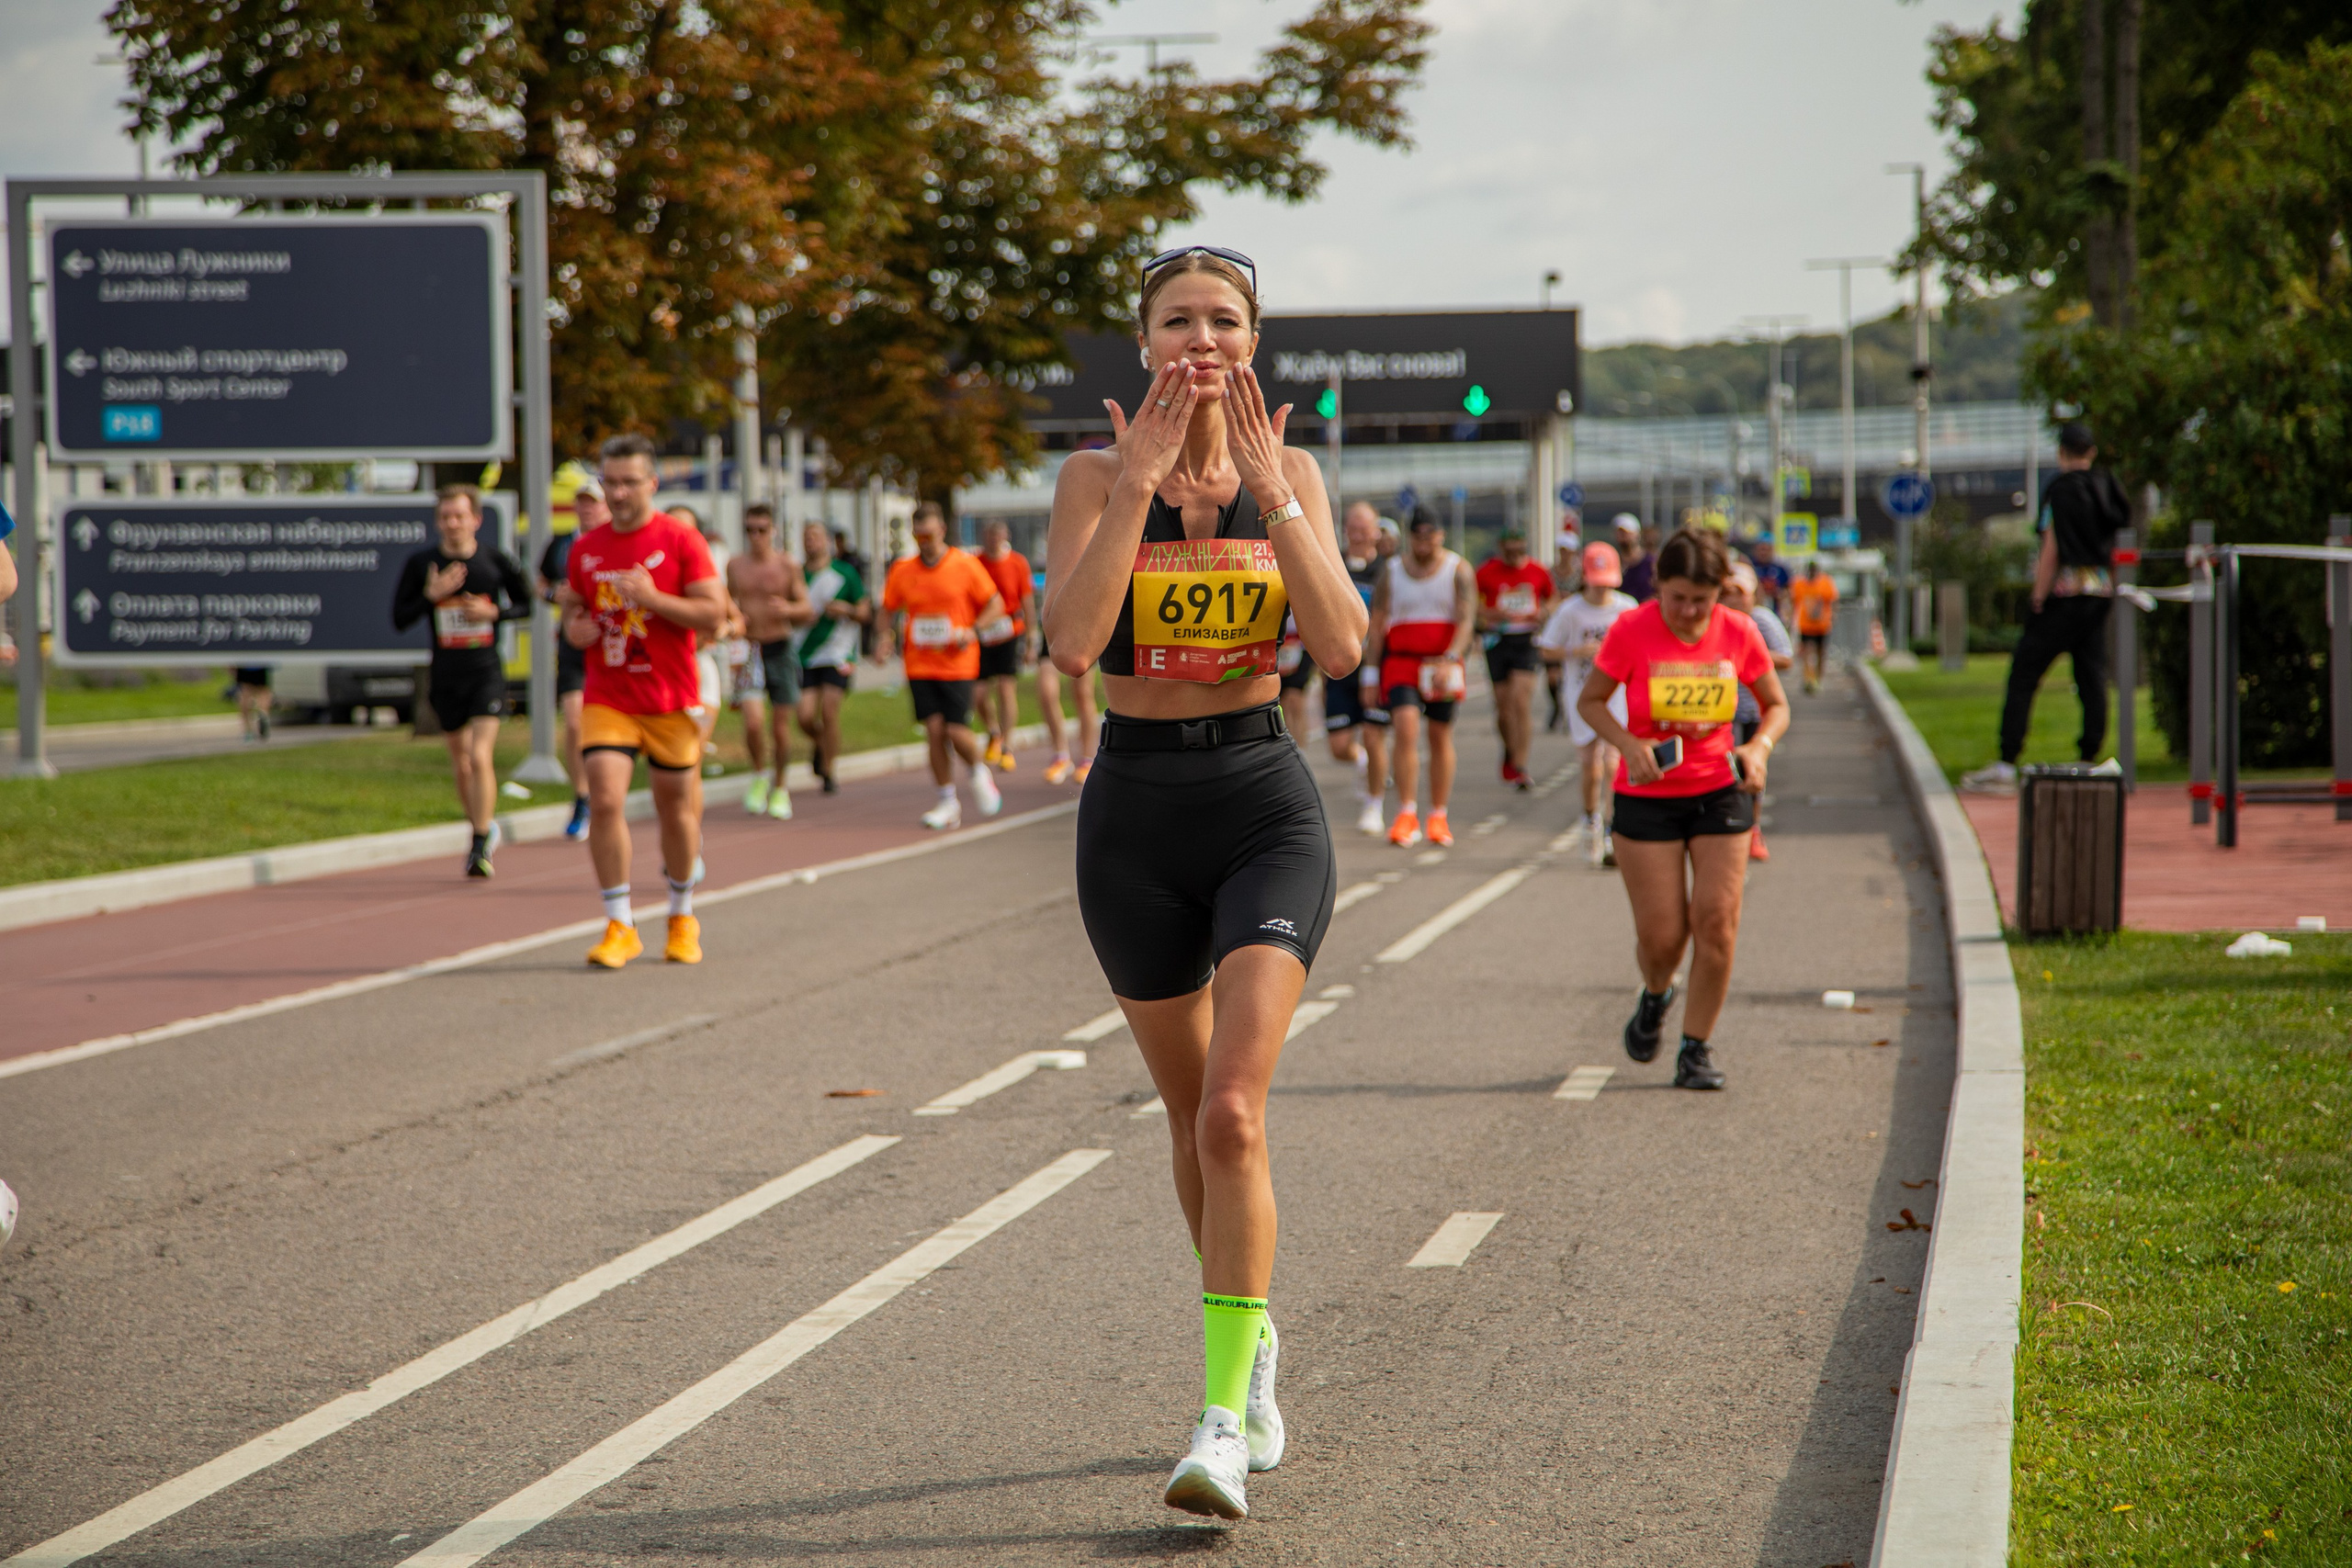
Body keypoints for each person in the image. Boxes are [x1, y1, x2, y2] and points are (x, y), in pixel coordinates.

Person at [1042, 243, 1364, 1520]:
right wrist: (1134, 490)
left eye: (1223, 320)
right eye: (1177, 319)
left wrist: (1275, 496)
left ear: (1254, 341)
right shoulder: (1086, 474)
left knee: (1235, 1110)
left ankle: (1222, 1414)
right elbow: (1070, 641)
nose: (1201, 339)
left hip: (1258, 801)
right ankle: (1255, 1329)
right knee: (1189, 1120)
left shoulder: (1296, 474)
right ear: (1142, 343)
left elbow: (1340, 645)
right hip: (1133, 814)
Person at [1577, 528, 1789, 1092]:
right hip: (1647, 798)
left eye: (1702, 599)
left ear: (1721, 590)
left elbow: (1776, 707)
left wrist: (1757, 747)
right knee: (1663, 940)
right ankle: (1656, 995)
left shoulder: (1739, 631)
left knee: (1716, 923)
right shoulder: (1631, 629)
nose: (1691, 612)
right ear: (1658, 588)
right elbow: (1590, 702)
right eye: (1677, 598)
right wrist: (1628, 745)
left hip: (1720, 790)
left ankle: (1695, 1048)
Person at [562, 433, 728, 968]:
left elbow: (713, 615)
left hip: (669, 696)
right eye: (610, 482)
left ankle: (681, 914)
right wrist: (576, 629)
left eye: (629, 482)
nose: (619, 492)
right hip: (609, 695)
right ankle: (619, 923)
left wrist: (653, 598)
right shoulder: (586, 548)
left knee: (675, 810)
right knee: (606, 799)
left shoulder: (681, 540)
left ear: (652, 483)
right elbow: (573, 613)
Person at [1962, 423, 2130, 795]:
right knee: (2092, 677)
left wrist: (2038, 594)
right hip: (2099, 593)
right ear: (2092, 452)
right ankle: (2090, 757)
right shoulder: (2108, 488)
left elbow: (2051, 546)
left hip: (2063, 594)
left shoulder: (2060, 490)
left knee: (2024, 674)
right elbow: (2119, 540)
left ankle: (2007, 760)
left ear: (2061, 453)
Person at [392, 484, 531, 877]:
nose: (453, 524)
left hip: (485, 671)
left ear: (476, 519)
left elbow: (525, 605)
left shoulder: (493, 562)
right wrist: (431, 595)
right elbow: (399, 619)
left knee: (479, 755)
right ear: (438, 522)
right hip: (445, 673)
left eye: (460, 516)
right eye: (446, 517)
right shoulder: (423, 564)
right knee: (462, 762)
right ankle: (480, 828)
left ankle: (479, 843)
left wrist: (493, 614)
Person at [882, 501, 1006, 830]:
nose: (925, 541)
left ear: (942, 531)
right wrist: (882, 638)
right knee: (934, 730)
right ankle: (947, 801)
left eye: (930, 535)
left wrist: (973, 630)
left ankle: (979, 772)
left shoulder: (964, 566)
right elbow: (888, 607)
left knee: (954, 729)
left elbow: (996, 603)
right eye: (919, 536)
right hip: (920, 663)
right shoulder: (903, 570)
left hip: (958, 662)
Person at [1368, 508, 1476, 848]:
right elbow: (1377, 622)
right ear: (1410, 537)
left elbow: (1466, 621)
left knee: (1439, 736)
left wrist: (1451, 658)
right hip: (1401, 663)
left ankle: (1438, 815)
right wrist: (1370, 673)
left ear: (1441, 536)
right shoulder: (1393, 570)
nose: (1425, 542)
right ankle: (1406, 811)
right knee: (1405, 727)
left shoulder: (1458, 570)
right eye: (1418, 535)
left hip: (1440, 665)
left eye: (1431, 535)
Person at [1536, 541, 1635, 867]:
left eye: (1607, 580)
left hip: (1618, 696)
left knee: (1612, 763)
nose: (1602, 586)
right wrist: (1575, 652)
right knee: (1590, 765)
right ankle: (1590, 818)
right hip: (1581, 694)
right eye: (1597, 579)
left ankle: (1610, 827)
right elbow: (1546, 648)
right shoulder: (1571, 610)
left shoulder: (1626, 608)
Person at [727, 503, 812, 819]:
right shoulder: (735, 565)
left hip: (779, 646)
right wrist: (733, 617)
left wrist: (788, 610)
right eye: (750, 530)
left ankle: (780, 787)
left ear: (773, 531)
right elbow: (727, 600)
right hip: (749, 650)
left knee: (779, 727)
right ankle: (760, 775)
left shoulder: (787, 565)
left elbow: (806, 607)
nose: (756, 536)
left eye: (762, 530)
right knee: (752, 722)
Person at [537, 476, 606, 840]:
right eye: (581, 501)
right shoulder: (563, 544)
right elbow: (541, 582)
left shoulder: (615, 542)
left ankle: (609, 790)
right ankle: (582, 797)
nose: (586, 508)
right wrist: (555, 594)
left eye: (593, 501)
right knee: (575, 721)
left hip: (610, 644)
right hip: (571, 643)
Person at [1323, 501, 1391, 836]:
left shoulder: (1389, 570)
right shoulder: (1332, 562)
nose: (1361, 534)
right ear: (1346, 530)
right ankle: (1361, 761)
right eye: (1355, 528)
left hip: (1376, 666)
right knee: (1338, 746)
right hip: (1339, 666)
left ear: (1377, 532)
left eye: (1367, 528)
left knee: (1374, 734)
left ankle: (1374, 805)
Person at [1720, 559, 1795, 863]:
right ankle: (1726, 829)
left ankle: (1752, 828)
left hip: (1752, 709)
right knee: (1725, 771)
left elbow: (1787, 658)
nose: (1735, 599)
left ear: (1753, 594)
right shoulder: (1713, 621)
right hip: (1721, 712)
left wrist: (1749, 656)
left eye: (1741, 592)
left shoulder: (1761, 621)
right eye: (1728, 592)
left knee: (1750, 770)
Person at [1476, 525, 1556, 790]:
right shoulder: (1486, 572)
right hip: (1497, 640)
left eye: (1518, 551)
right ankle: (1509, 751)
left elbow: (1552, 599)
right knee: (1503, 709)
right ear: (1501, 550)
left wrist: (1543, 612)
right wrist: (1491, 613)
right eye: (1508, 552)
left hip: (1526, 639)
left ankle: (1520, 766)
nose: (1514, 556)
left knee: (1521, 702)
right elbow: (1472, 606)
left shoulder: (1537, 571)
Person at [794, 521, 870, 793]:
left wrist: (846, 609)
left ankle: (828, 770)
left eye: (815, 536)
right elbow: (789, 610)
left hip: (838, 653)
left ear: (827, 541)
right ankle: (820, 743)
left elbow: (864, 611)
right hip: (804, 653)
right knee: (804, 716)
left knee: (829, 711)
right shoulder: (797, 575)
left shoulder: (844, 573)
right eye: (806, 537)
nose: (810, 542)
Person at [974, 519, 1035, 773]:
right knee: (978, 694)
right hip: (982, 633)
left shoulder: (1017, 563)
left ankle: (1007, 746)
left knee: (1005, 689)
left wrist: (1032, 638)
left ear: (1005, 537)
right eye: (989, 535)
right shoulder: (975, 563)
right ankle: (993, 731)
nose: (993, 540)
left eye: (997, 535)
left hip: (1010, 632)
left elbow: (1027, 600)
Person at [1035, 558, 1100, 784]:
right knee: (1046, 691)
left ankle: (1087, 759)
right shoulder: (1058, 547)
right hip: (1054, 626)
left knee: (1082, 695)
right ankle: (1061, 756)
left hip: (1082, 628)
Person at [1788, 558, 1839, 694]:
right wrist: (1790, 620)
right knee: (1806, 651)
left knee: (1821, 652)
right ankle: (1808, 679)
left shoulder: (1825, 583)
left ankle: (1818, 678)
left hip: (1822, 624)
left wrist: (1833, 617)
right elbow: (1794, 602)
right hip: (1805, 624)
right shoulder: (1799, 584)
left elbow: (1833, 601)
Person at [1748, 535, 1792, 621]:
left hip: (1775, 613)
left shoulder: (1780, 569)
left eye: (1767, 549)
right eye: (1762, 549)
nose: (1764, 553)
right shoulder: (1749, 566)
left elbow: (1787, 593)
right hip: (1753, 612)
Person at [1614, 514, 1656, 603]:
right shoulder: (1615, 562)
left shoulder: (1651, 563)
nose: (1623, 536)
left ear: (1637, 534)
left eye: (1626, 532)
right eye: (1620, 533)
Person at [233, 667, 273, 742]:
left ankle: (248, 731)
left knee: (245, 692)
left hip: (244, 665)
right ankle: (264, 713)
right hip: (259, 664)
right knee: (263, 691)